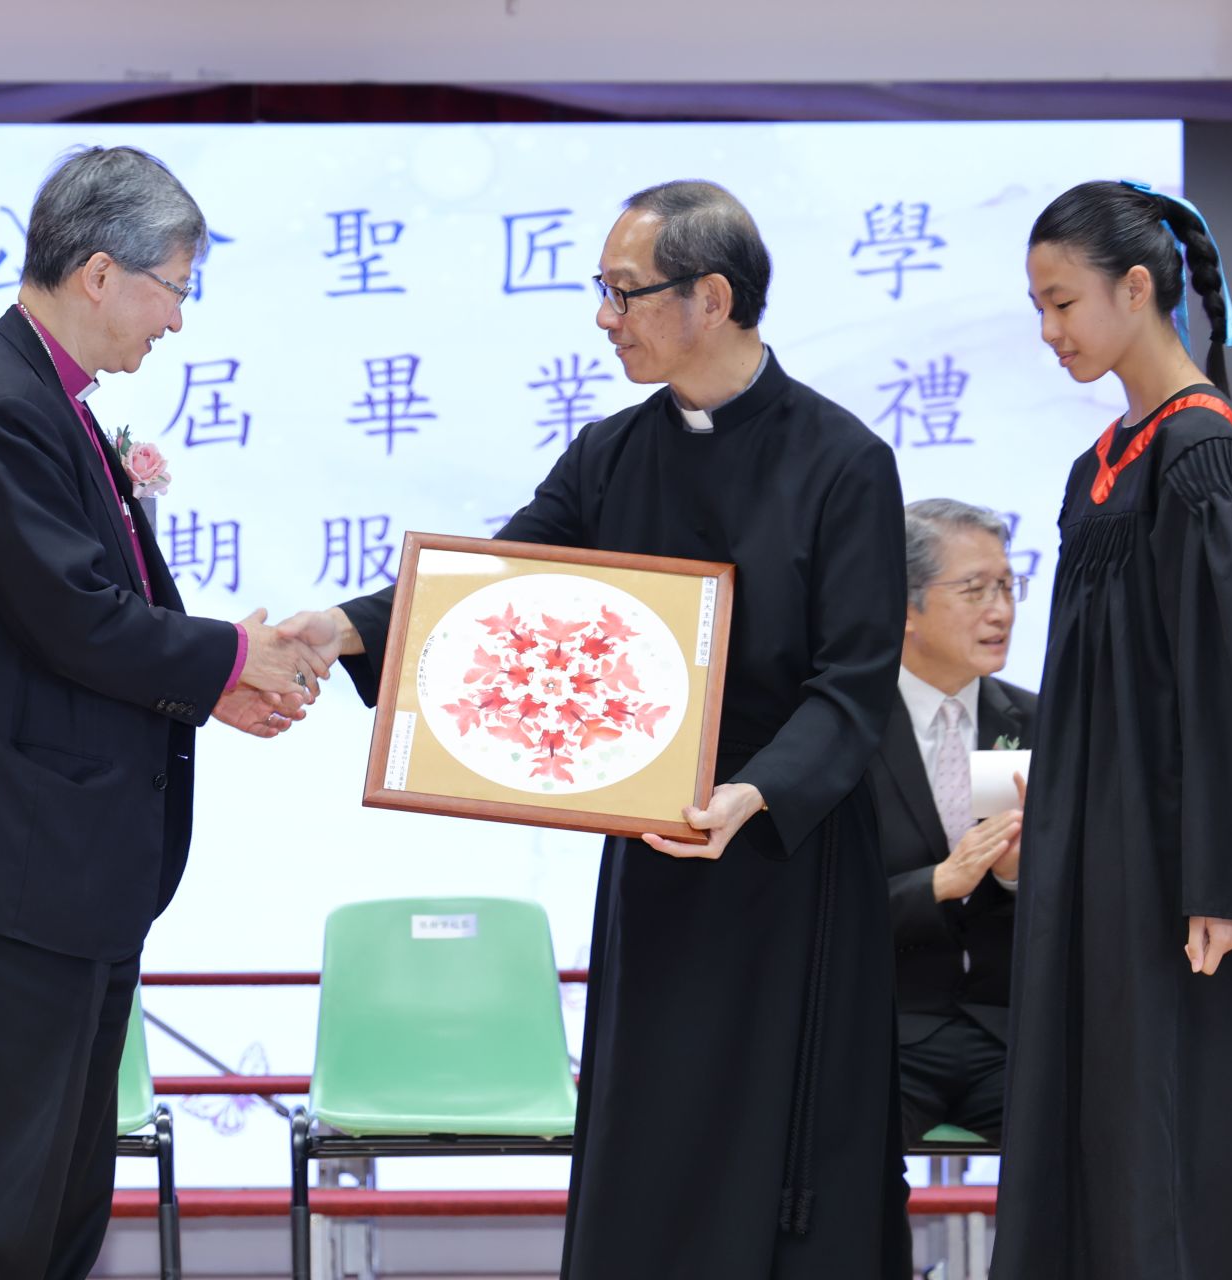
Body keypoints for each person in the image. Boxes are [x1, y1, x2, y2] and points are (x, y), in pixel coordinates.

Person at [282, 180, 911, 1278]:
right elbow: (493, 590)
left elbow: (853, 683)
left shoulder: (843, 460)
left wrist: (756, 794)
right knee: (652, 1135)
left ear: (711, 297)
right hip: (659, 850)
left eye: (625, 292)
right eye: (603, 290)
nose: (604, 316)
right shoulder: (610, 453)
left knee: (788, 1146)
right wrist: (346, 628)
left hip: (788, 853)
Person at [0, 146, 324, 1279]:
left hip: (50, 876)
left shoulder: (42, 398)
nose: (178, 320)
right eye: (175, 288)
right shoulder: (1, 407)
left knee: (57, 1203)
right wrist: (232, 656)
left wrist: (220, 679)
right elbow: (76, 617)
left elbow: (87, 622)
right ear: (102, 274)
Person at [992, 180, 1232, 1279]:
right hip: (1098, 848)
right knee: (1089, 1115)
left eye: (1062, 303)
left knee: (1171, 1135)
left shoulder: (1207, 453)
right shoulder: (1104, 461)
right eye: (1038, 308)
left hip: (1183, 866)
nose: (1049, 331)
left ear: (1136, 288)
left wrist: (1229, 880)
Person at [867, 499, 1035, 1146]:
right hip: (881, 1030)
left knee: (1097, 1150)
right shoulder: (845, 730)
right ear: (906, 607)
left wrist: (1018, 877)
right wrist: (938, 882)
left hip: (1011, 1033)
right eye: (975, 590)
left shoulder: (1043, 722)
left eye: (1008, 586)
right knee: (842, 1165)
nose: (1001, 611)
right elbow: (813, 907)